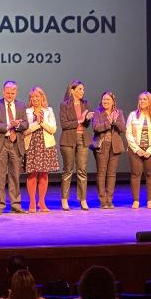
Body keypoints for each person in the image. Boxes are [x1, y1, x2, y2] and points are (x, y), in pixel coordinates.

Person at [0, 81, 29, 214]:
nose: (10, 95)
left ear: (15, 92)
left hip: (15, 143)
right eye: (8, 93)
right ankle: (0, 205)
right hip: (1, 142)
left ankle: (15, 204)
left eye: (12, 93)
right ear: (3, 92)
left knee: (15, 176)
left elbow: (26, 124)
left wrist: (17, 125)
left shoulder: (21, 105)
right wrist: (7, 126)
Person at [59, 80, 94, 211]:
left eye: (83, 89)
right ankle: (64, 199)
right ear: (72, 90)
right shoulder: (64, 105)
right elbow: (64, 124)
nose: (82, 92)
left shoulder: (85, 104)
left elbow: (86, 125)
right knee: (68, 170)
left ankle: (83, 199)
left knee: (82, 170)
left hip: (83, 139)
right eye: (79, 89)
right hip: (68, 139)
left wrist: (87, 119)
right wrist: (80, 119)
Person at [24, 86, 60, 213]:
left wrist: (42, 122)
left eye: (37, 96)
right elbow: (25, 130)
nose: (35, 99)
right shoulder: (26, 111)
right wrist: (36, 124)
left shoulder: (48, 111)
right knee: (32, 174)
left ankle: (42, 202)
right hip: (32, 144)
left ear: (42, 97)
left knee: (44, 174)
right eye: (32, 97)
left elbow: (53, 129)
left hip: (46, 144)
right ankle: (32, 202)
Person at [126, 91, 151, 209]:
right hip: (135, 150)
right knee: (136, 174)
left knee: (150, 174)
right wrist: (137, 150)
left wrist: (150, 151)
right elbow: (128, 133)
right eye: (140, 99)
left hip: (150, 150)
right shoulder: (133, 115)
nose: (142, 101)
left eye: (144, 99)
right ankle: (136, 200)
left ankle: (150, 200)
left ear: (149, 101)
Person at [91, 91, 126, 209]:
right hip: (101, 145)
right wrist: (108, 123)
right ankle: (102, 200)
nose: (105, 102)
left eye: (108, 100)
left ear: (113, 102)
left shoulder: (118, 113)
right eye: (104, 99)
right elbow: (95, 128)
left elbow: (123, 128)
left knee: (111, 174)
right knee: (101, 173)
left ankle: (109, 199)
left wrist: (114, 122)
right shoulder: (97, 113)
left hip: (114, 146)